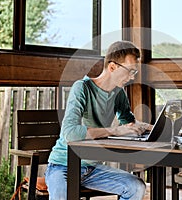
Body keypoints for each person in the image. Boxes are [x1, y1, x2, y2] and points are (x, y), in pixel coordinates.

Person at [45, 41, 150, 200]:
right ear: (112, 67)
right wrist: (115, 130)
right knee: (62, 196)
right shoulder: (82, 88)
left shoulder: (119, 93)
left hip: (92, 169)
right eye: (130, 71)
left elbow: (129, 124)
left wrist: (155, 128)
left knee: (136, 187)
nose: (131, 77)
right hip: (62, 166)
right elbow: (70, 133)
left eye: (134, 72)